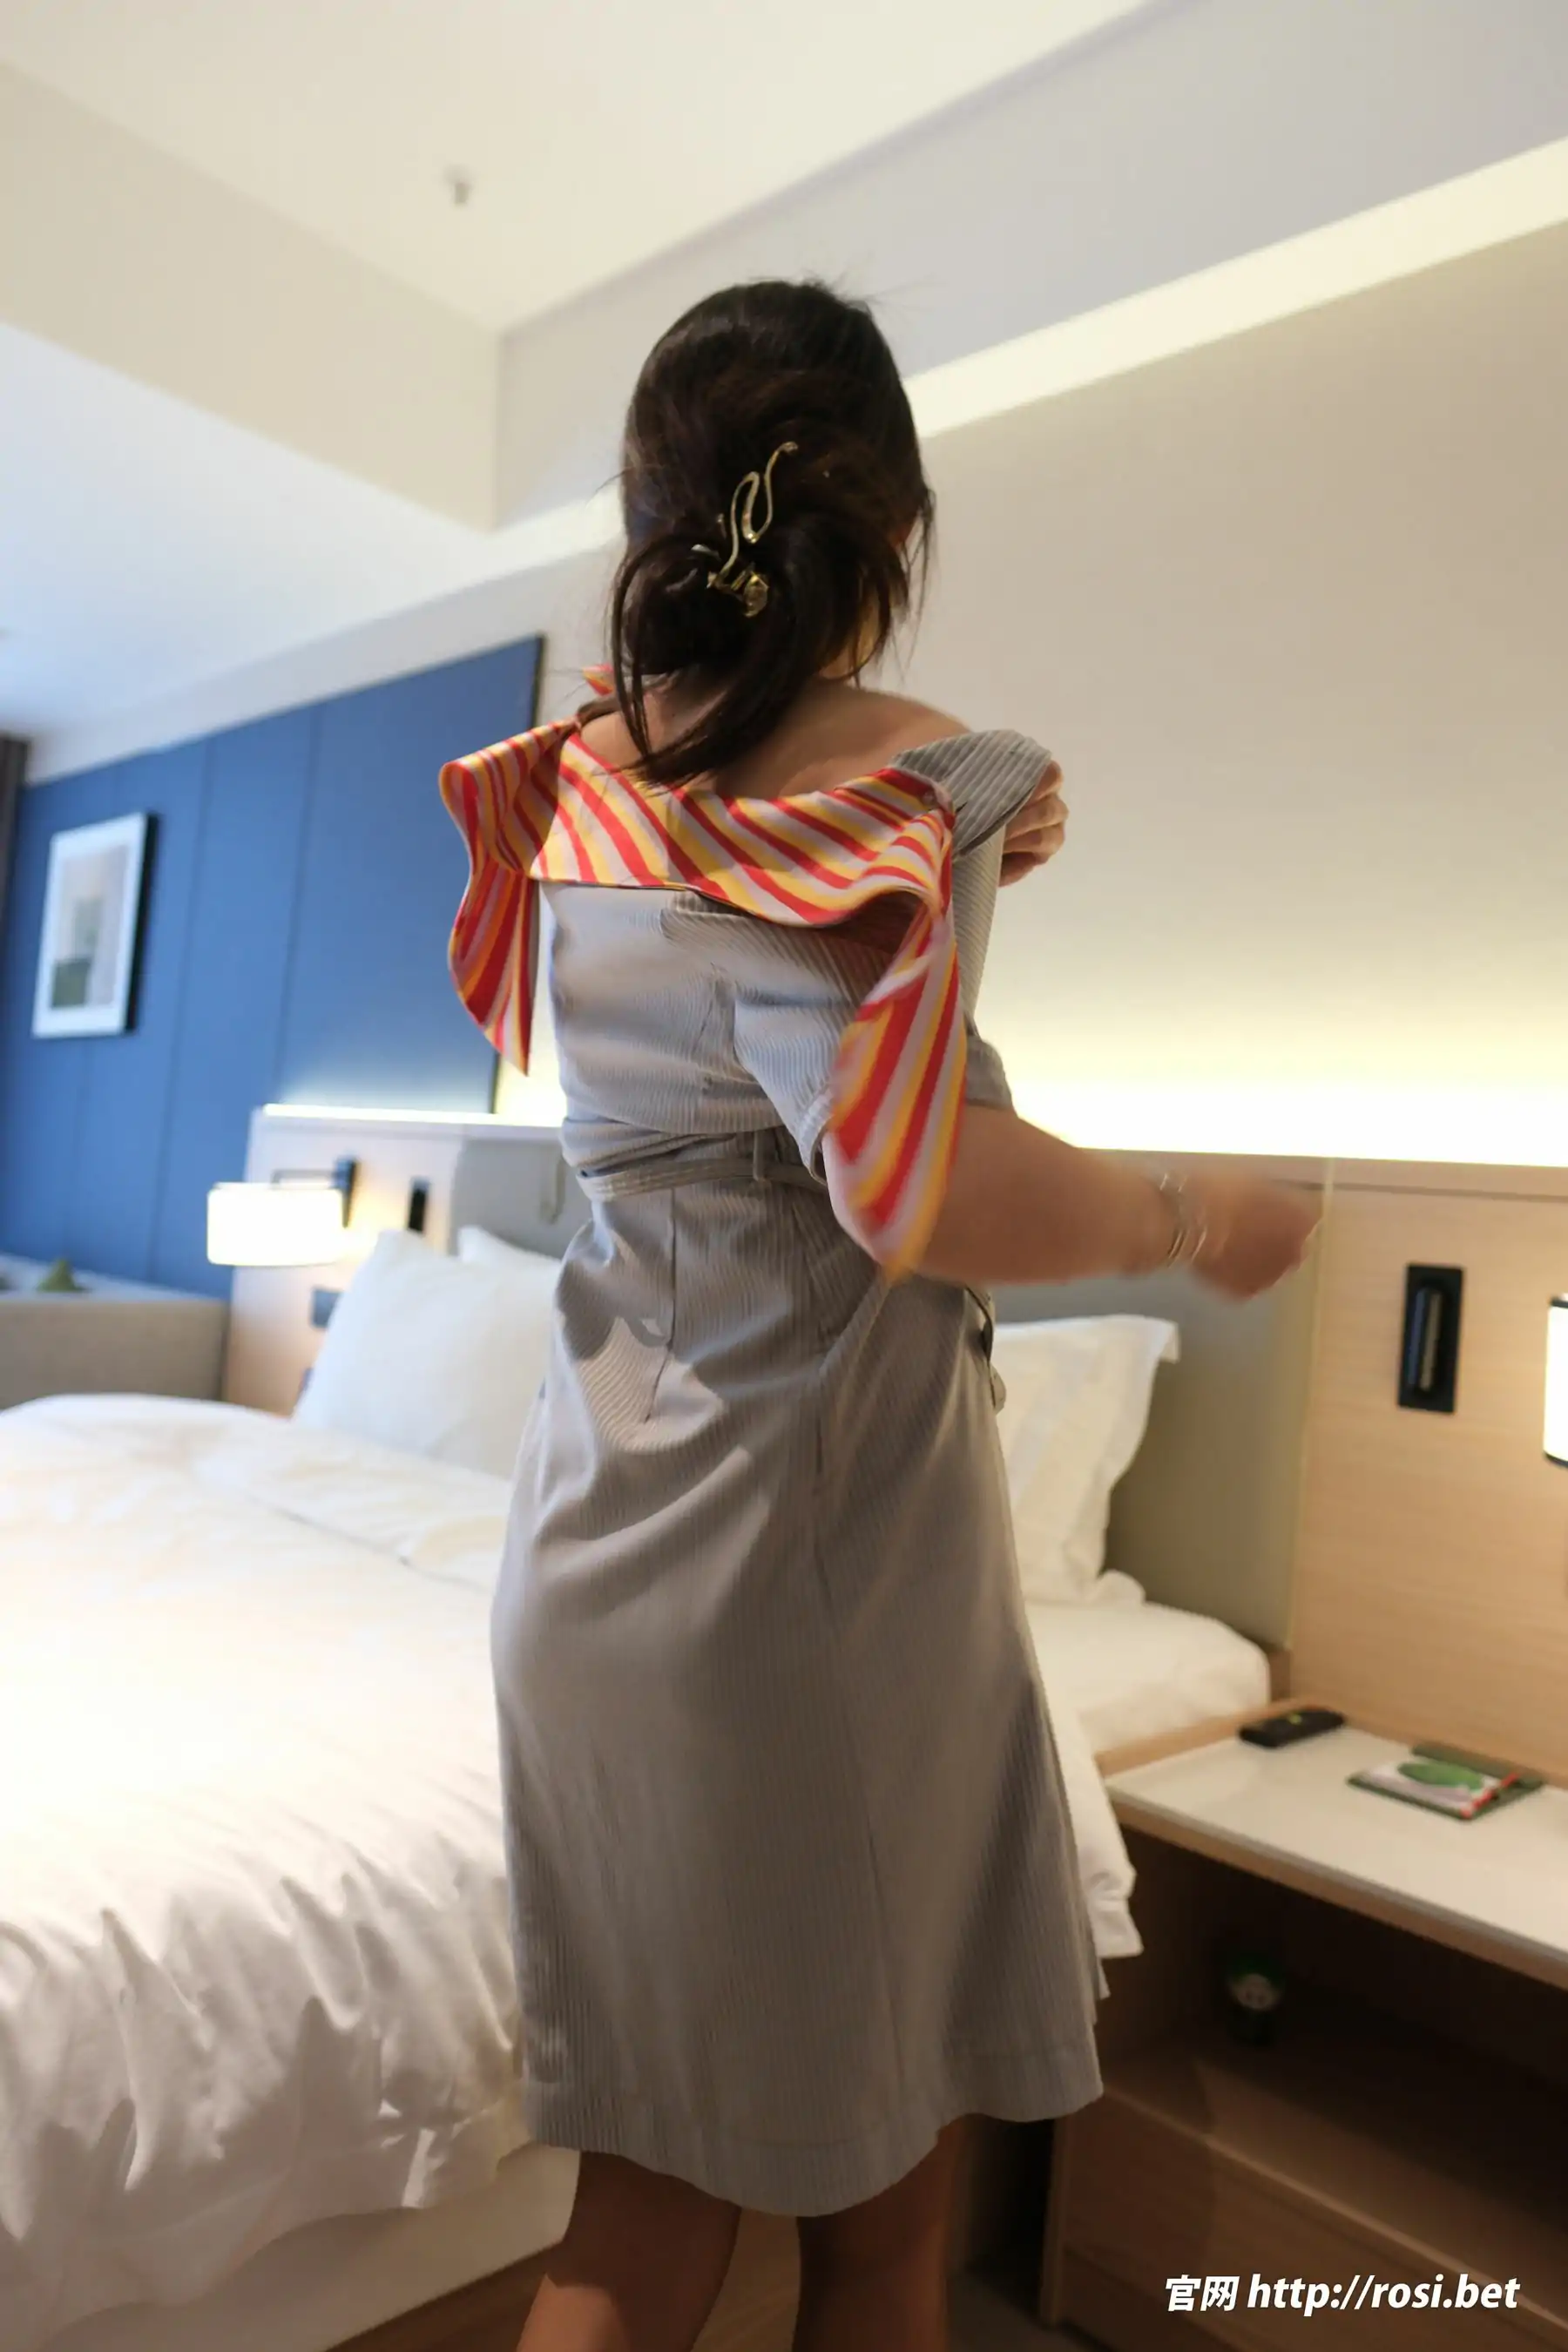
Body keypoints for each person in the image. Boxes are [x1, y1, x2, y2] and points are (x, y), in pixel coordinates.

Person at [440, 278, 1316, 2352]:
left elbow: (750, 1002)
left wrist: (968, 832)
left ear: (653, 515)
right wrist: (1189, 1215)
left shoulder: (578, 782)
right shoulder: (886, 786)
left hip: (593, 1558)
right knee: (870, 2231)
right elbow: (911, 1184)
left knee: (638, 2210)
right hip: (795, 1587)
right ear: (891, 534)